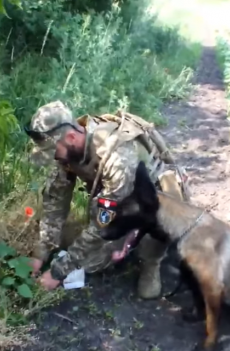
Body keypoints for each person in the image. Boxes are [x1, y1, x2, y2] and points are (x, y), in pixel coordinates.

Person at [25, 100, 190, 299]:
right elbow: (55, 200)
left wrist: (58, 272)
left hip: (153, 204)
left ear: (70, 137)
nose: (54, 158)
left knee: (152, 227)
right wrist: (41, 251)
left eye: (54, 152)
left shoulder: (118, 157)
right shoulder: (68, 149)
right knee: (91, 264)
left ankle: (151, 261)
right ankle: (126, 242)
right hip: (119, 204)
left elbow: (101, 223)